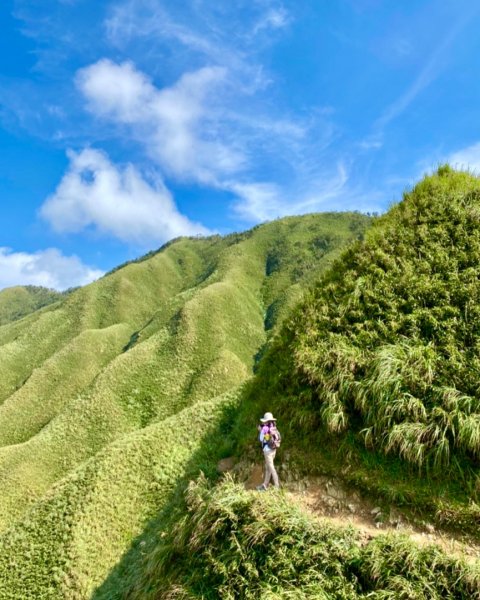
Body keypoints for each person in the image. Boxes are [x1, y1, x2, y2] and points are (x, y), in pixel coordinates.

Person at [256, 412, 280, 491]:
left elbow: (261, 439)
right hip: (274, 449)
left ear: (266, 421)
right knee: (268, 468)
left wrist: (260, 431)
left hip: (267, 451)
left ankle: (277, 486)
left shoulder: (265, 429)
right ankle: (265, 485)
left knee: (271, 468)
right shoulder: (273, 427)